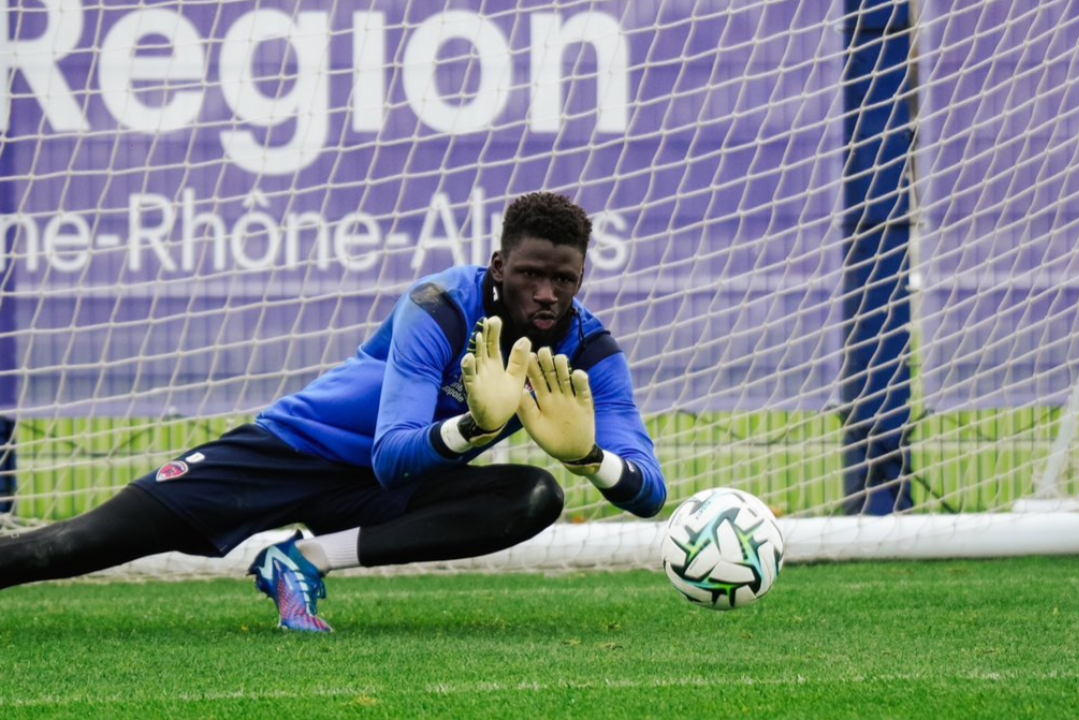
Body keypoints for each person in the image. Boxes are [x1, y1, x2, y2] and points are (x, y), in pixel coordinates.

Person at [0, 192, 667, 632]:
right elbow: (391, 449)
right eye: (530, 275)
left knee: (534, 496)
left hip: (376, 497)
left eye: (565, 280)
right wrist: (474, 426)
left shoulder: (590, 350)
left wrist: (591, 458)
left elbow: (650, 492)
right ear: (498, 265)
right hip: (285, 454)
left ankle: (306, 560)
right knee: (72, 545)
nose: (547, 294)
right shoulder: (439, 304)